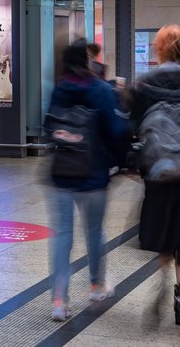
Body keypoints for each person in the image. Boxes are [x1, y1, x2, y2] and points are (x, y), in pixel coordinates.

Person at [46, 39, 129, 321]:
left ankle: (59, 301)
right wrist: (120, 162)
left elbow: (48, 125)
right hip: (94, 175)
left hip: (61, 174)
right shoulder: (100, 89)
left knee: (62, 236)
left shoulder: (59, 89)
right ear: (87, 61)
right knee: (94, 231)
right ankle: (96, 286)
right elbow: (116, 130)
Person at [128, 24, 180, 325]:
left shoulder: (145, 83)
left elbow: (132, 129)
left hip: (159, 171)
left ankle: (161, 278)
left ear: (158, 49)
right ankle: (179, 291)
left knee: (163, 232)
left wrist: (133, 163)